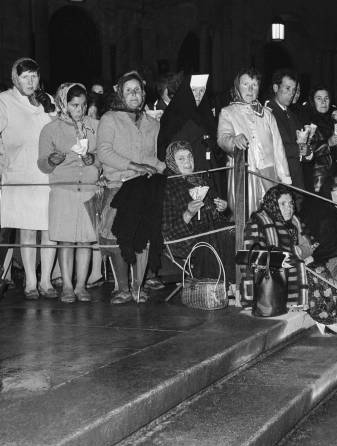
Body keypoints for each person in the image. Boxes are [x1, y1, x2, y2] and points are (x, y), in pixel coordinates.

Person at [97, 71, 166, 304]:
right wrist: (134, 165)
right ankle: (121, 288)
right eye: (129, 90)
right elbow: (104, 152)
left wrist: (167, 168)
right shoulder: (109, 119)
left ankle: (138, 286)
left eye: (137, 90)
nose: (134, 94)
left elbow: (154, 158)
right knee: (117, 238)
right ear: (120, 94)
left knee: (143, 236)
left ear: (144, 94)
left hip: (145, 187)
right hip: (119, 184)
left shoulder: (152, 123)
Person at [0, 57, 57, 299]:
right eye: (25, 77)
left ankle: (46, 281)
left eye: (34, 75)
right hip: (20, 174)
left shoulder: (48, 100)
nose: (31, 81)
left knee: (49, 229)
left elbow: (59, 131)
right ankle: (31, 282)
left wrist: (51, 109)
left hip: (48, 174)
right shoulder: (4, 100)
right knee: (27, 229)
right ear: (15, 78)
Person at [37, 83, 99, 303]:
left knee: (85, 241)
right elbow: (43, 165)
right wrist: (52, 160)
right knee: (66, 241)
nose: (79, 110)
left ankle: (82, 286)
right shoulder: (50, 129)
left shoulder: (95, 126)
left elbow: (102, 158)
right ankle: (68, 286)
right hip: (63, 189)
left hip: (89, 190)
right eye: (74, 105)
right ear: (63, 103)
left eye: (83, 105)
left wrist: (93, 160)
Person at [217, 68, 291, 214]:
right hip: (244, 173)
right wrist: (234, 140)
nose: (250, 89)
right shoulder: (228, 112)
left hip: (269, 173)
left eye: (254, 85)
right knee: (247, 215)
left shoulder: (267, 114)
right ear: (237, 86)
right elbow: (222, 138)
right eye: (245, 84)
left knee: (272, 214)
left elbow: (278, 147)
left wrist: (284, 177)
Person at [162, 141, 234, 280]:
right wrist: (188, 213)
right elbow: (167, 231)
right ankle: (217, 284)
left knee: (232, 230)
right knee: (216, 238)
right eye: (181, 158)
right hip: (183, 239)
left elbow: (216, 219)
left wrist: (222, 209)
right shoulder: (166, 186)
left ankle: (232, 284)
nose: (188, 162)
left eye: (190, 157)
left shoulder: (200, 182)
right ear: (171, 162)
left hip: (207, 232)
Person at [243, 185, 323, 306]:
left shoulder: (294, 222)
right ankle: (326, 318)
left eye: (291, 203)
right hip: (272, 278)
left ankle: (329, 318)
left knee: (321, 271)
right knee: (315, 277)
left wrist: (300, 253)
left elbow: (311, 246)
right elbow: (251, 257)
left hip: (295, 265)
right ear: (272, 205)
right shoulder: (258, 223)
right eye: (283, 204)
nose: (289, 208)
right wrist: (297, 255)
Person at [268, 69, 309, 191]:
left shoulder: (291, 114)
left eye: (294, 90)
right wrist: (300, 149)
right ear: (276, 88)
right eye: (287, 88)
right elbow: (273, 146)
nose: (291, 94)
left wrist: (308, 151)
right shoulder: (268, 113)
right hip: (281, 178)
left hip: (296, 176)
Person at [302, 86, 337, 193]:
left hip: (335, 176)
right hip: (318, 179)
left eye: (326, 98)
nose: (323, 102)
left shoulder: (332, 121)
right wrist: (327, 143)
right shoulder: (307, 121)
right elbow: (304, 150)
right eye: (319, 98)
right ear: (312, 101)